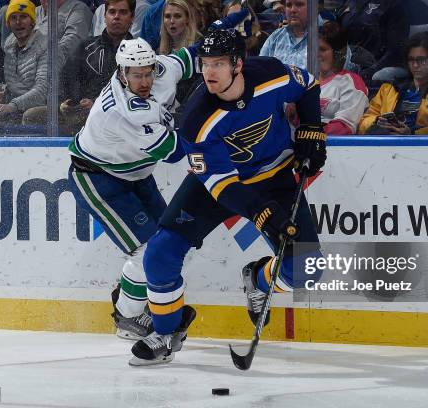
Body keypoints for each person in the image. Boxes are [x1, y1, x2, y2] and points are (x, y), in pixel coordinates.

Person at [129, 29, 326, 366]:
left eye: (219, 63)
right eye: (205, 64)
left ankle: (259, 279)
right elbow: (222, 186)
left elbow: (307, 85)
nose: (209, 72)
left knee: (306, 269)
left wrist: (311, 128)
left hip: (276, 178)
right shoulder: (196, 119)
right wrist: (262, 212)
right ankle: (167, 331)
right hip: (218, 187)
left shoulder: (271, 74)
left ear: (238, 64)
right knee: (160, 252)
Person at [67, 37, 196, 339]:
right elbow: (175, 152)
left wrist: (225, 29)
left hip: (136, 175)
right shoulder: (120, 111)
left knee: (173, 244)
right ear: (122, 73)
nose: (144, 80)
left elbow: (187, 58)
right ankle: (127, 317)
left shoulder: (158, 72)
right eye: (136, 74)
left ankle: (139, 299)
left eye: (148, 72)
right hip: (99, 179)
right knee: (147, 251)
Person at [61, 0, 135, 134]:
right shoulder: (86, 46)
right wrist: (69, 102)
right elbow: (68, 77)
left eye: (123, 12)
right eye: (112, 12)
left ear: (132, 18)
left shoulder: (140, 52)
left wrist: (97, 104)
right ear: (105, 17)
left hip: (120, 116)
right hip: (81, 111)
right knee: (34, 115)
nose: (116, 16)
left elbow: (137, 92)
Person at [359, 31, 428, 135]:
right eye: (411, 60)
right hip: (385, 144)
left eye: (421, 60)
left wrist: (412, 134)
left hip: (423, 148)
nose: (415, 65)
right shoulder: (389, 89)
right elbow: (364, 122)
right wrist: (377, 121)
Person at [0, 0, 48, 123]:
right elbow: (14, 89)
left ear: (32, 21)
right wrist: (1, 99)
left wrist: (12, 105)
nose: (18, 22)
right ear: (8, 24)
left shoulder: (47, 46)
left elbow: (43, 91)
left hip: (49, 107)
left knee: (29, 115)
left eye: (23, 17)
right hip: (17, 108)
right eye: (13, 18)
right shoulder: (9, 48)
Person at [318, 21, 368, 135]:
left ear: (339, 53)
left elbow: (345, 128)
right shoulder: (304, 80)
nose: (316, 53)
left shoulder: (351, 82)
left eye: (322, 49)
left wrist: (307, 132)